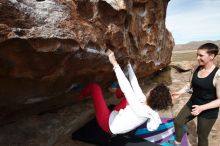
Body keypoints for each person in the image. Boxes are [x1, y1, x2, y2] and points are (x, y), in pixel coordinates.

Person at [80, 49, 173, 135]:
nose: (150, 89)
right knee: (130, 94)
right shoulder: (150, 106)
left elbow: (126, 87)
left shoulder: (139, 107)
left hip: (108, 123)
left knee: (95, 87)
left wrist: (114, 62)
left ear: (152, 94)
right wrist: (129, 65)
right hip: (117, 115)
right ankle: (115, 91)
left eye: (153, 89)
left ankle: (79, 95)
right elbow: (134, 84)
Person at [170, 43, 220, 146]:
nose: (197, 58)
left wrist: (202, 108)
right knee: (178, 122)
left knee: (202, 137)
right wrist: (179, 92)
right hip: (193, 103)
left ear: (211, 56)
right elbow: (190, 84)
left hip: (209, 111)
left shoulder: (217, 75)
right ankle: (177, 142)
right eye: (197, 55)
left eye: (201, 55)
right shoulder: (196, 68)